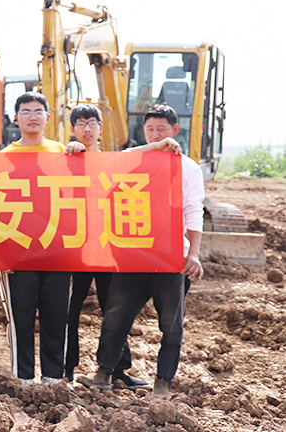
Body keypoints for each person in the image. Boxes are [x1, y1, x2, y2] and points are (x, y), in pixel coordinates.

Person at [78, 103, 204, 399]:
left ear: (175, 130)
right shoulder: (132, 160)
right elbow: (112, 161)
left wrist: (194, 254)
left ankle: (163, 382)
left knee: (171, 324)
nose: (156, 134)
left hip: (171, 259)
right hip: (132, 255)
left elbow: (193, 210)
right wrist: (155, 147)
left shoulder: (188, 167)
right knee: (115, 317)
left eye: (162, 129)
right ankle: (104, 373)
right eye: (150, 130)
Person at [64, 104, 148, 389]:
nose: (87, 129)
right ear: (72, 129)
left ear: (101, 128)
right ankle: (66, 370)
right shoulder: (65, 160)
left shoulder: (114, 161)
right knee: (68, 311)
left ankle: (117, 370)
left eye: (91, 123)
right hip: (74, 249)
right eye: (80, 124)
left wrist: (161, 145)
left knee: (114, 309)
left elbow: (139, 159)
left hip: (107, 248)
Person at [0, 91, 71, 384]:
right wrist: (0, 253)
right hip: (18, 251)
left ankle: (54, 378)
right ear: (16, 118)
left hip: (57, 248)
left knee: (56, 316)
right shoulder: (4, 157)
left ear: (48, 117)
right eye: (25, 111)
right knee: (21, 317)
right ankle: (23, 378)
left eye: (38, 111)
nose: (32, 117)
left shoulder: (62, 152)